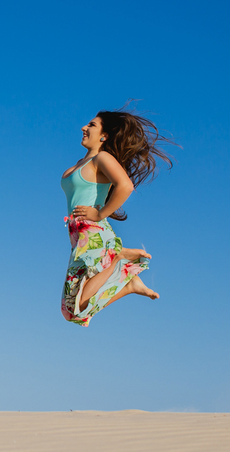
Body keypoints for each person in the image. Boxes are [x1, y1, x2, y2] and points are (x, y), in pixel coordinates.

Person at [59, 108, 176, 325]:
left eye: (92, 125)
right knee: (70, 310)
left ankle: (120, 258)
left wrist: (100, 213)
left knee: (75, 310)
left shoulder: (101, 158)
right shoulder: (82, 162)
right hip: (78, 235)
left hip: (91, 231)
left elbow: (125, 185)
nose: (84, 128)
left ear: (104, 136)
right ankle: (128, 284)